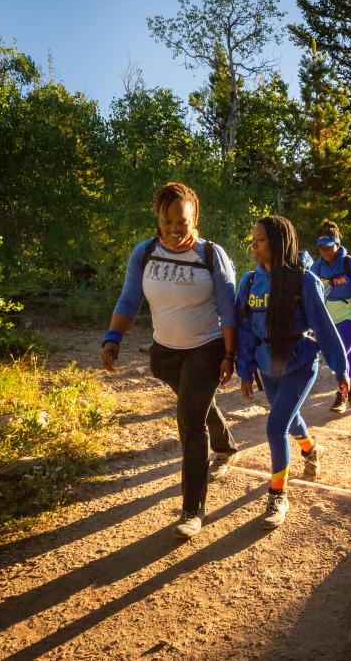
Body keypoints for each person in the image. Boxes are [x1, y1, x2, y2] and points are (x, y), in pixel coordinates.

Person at [101, 182, 239, 540]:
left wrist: (229, 354)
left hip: (205, 349)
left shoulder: (211, 255)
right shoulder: (144, 253)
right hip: (164, 354)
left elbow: (228, 309)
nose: (176, 229)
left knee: (190, 423)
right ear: (158, 220)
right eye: (168, 221)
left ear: (195, 219)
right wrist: (113, 337)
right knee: (197, 403)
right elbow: (129, 299)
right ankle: (226, 447)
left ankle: (193, 510)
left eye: (183, 221)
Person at [236, 215, 349, 529]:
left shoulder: (304, 280)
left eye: (259, 239)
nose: (253, 245)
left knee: (275, 427)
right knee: (291, 418)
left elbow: (324, 328)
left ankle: (277, 495)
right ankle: (312, 450)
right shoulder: (249, 282)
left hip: (300, 362)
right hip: (267, 364)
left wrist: (340, 369)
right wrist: (245, 372)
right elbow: (246, 331)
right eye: (253, 238)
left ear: (277, 243)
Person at [311, 221, 351, 414]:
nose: (325, 252)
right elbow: (310, 295)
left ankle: (343, 395)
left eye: (329, 247)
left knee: (339, 351)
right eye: (321, 248)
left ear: (337, 244)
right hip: (330, 313)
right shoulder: (318, 268)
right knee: (345, 353)